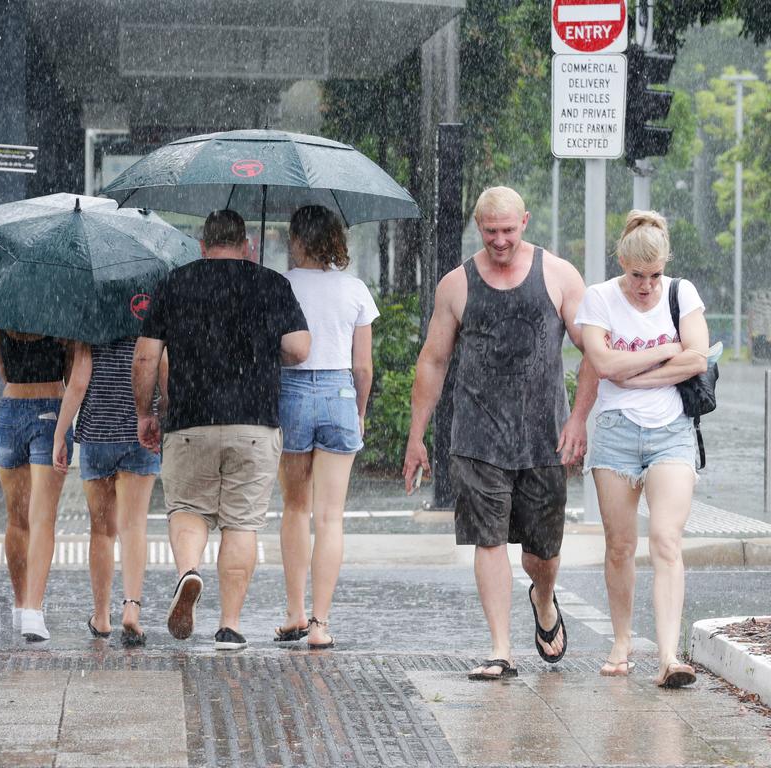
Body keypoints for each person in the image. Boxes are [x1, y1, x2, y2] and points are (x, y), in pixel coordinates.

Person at [403, 186, 597, 680]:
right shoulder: (456, 285)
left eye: (508, 230)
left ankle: (545, 599)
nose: (500, 241)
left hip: (544, 437)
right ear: (477, 227)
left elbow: (593, 347)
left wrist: (577, 419)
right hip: (477, 436)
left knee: (541, 554)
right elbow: (433, 360)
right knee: (487, 541)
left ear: (525, 222)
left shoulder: (558, 275)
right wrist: (416, 435)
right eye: (491, 232)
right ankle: (500, 649)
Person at [132, 209, 311, 651]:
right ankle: (229, 626)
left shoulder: (175, 282)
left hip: (190, 422)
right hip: (254, 424)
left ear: (202, 244)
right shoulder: (271, 284)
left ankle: (189, 572)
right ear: (246, 243)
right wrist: (266, 342)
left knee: (189, 510)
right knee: (241, 524)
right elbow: (299, 349)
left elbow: (145, 358)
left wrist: (145, 412)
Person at [575, 210, 708, 688]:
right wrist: (663, 352)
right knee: (620, 546)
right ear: (622, 263)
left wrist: (637, 373)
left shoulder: (681, 292)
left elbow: (698, 355)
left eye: (654, 276)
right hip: (614, 432)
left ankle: (670, 657)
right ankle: (622, 640)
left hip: (671, 429)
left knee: (667, 541)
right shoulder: (600, 298)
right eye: (637, 276)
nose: (647, 287)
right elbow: (604, 363)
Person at [274, 205, 378, 650]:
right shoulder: (354, 289)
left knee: (295, 509)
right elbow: (363, 366)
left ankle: (294, 611)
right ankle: (320, 624)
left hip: (291, 393)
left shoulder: (280, 286)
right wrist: (360, 409)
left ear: (296, 241)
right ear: (336, 241)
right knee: (330, 516)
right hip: (339, 392)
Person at [52, 338, 162, 647]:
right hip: (141, 432)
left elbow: (79, 381)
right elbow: (159, 367)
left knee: (101, 532)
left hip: (96, 434)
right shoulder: (147, 313)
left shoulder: (92, 313)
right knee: (134, 526)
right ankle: (131, 607)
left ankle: (101, 617)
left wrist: (60, 434)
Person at [0, 330, 73, 642]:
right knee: (43, 518)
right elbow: (70, 372)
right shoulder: (61, 313)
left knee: (16, 518)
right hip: (51, 410)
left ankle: (21, 601)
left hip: (10, 409)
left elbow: (2, 368)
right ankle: (33, 613)